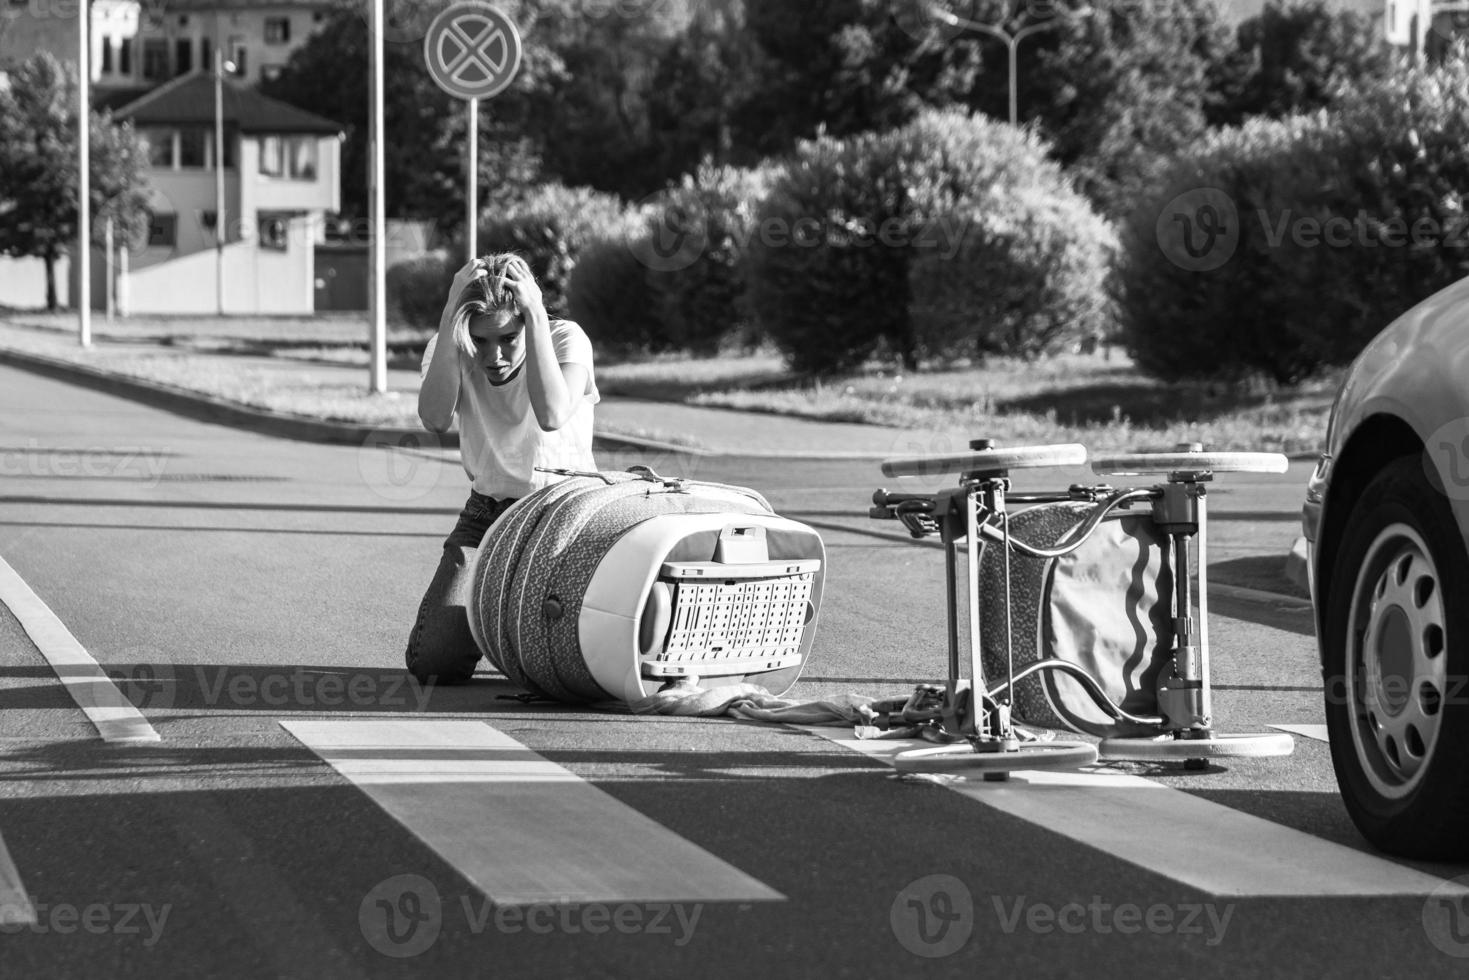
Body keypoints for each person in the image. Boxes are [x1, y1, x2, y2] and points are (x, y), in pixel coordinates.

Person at [405, 252, 599, 684]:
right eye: (482, 340)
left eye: (507, 338)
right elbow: (434, 418)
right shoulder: (453, 345)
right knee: (434, 663)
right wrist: (449, 315)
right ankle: (497, 621)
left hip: (561, 514)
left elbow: (551, 413)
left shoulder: (565, 338)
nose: (493, 356)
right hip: (487, 513)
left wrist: (533, 317)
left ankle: (512, 627)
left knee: (568, 666)